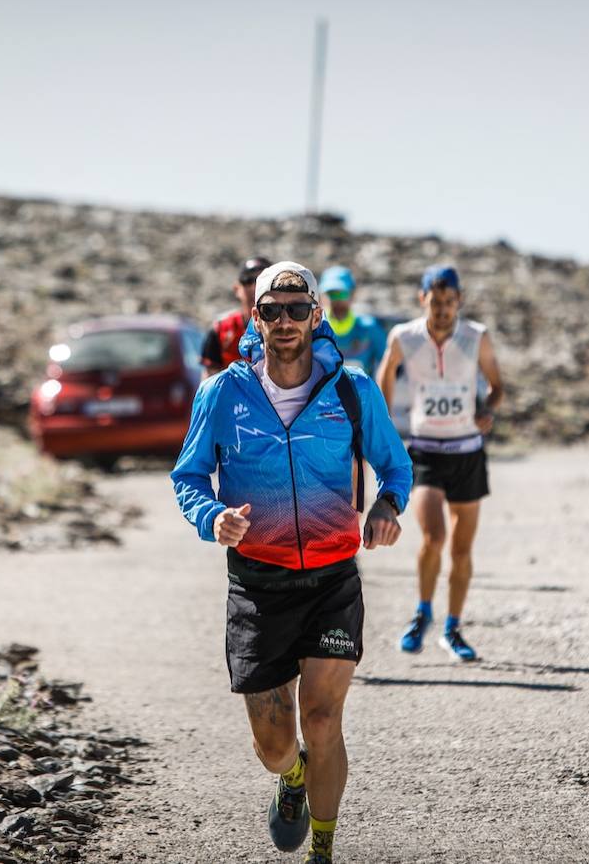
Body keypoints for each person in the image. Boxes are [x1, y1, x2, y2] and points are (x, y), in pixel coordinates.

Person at [171, 261, 412, 864]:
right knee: (274, 745)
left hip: (332, 579)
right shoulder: (223, 392)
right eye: (271, 310)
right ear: (255, 317)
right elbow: (190, 475)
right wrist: (212, 517)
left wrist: (386, 506)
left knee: (325, 719)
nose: (285, 320)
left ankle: (322, 853)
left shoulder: (353, 388)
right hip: (257, 585)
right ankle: (293, 777)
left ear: (316, 315)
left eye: (296, 308)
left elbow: (396, 467)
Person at [376, 264, 503, 663]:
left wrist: (487, 410)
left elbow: (497, 387)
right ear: (423, 299)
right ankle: (423, 612)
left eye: (450, 302)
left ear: (459, 301)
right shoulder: (404, 337)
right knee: (434, 537)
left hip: (467, 452)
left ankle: (453, 626)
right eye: (436, 302)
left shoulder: (476, 337)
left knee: (462, 550)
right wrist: (386, 430)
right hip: (426, 450)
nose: (444, 309)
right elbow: (384, 380)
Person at [201, 255, 272, 379]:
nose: (254, 287)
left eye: (262, 280)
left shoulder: (287, 327)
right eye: (247, 280)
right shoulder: (221, 329)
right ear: (236, 289)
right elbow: (209, 378)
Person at [319, 266, 389, 377]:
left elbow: (390, 368)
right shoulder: (314, 332)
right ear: (321, 297)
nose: (337, 300)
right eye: (331, 294)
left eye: (341, 294)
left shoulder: (370, 329)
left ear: (353, 294)